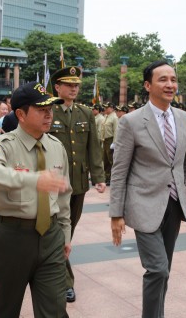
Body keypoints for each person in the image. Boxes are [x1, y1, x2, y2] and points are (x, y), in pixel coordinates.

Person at [110, 61, 186, 318]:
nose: (170, 84)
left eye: (173, 79)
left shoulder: (183, 118)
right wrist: (116, 214)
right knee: (158, 269)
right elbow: (119, 171)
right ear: (148, 85)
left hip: (174, 205)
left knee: (165, 271)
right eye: (163, 79)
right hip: (143, 204)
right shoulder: (131, 121)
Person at [0, 81, 72, 318]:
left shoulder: (56, 146)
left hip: (51, 237)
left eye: (50, 109)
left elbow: (63, 196)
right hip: (13, 238)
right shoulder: (3, 144)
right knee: (6, 309)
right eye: (41, 109)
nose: (48, 115)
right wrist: (33, 180)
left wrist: (65, 233)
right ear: (20, 114)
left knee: (55, 309)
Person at [49, 66, 106, 303]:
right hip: (54, 183)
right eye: (68, 85)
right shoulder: (48, 112)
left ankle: (55, 271)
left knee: (68, 230)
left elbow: (93, 147)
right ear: (57, 87)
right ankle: (65, 280)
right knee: (59, 231)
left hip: (79, 183)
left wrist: (99, 176)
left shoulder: (85, 113)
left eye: (76, 85)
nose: (74, 89)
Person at [101, 102, 118, 185]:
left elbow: (116, 131)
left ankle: (113, 178)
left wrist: (114, 142)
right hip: (105, 140)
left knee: (111, 160)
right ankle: (107, 177)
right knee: (105, 160)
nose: (105, 109)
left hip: (111, 140)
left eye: (107, 108)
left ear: (111, 108)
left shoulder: (114, 117)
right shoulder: (106, 116)